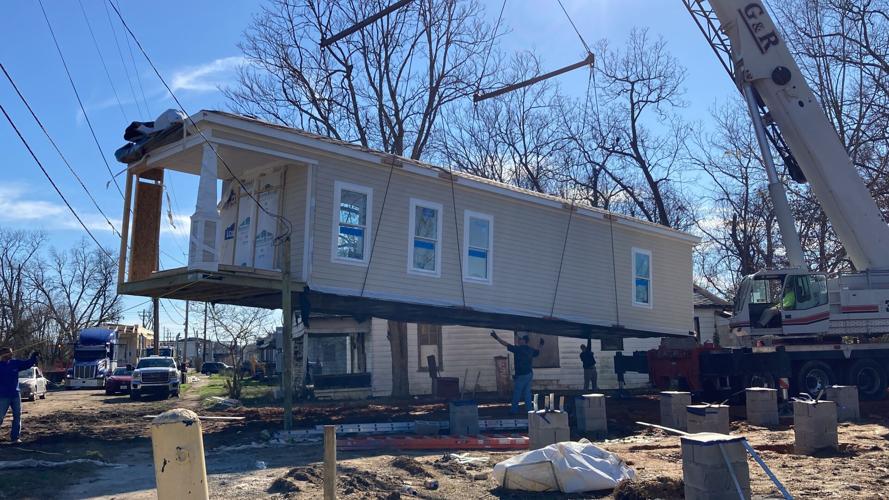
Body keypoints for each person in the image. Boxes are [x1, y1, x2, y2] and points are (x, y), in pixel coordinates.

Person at [491, 331, 542, 414]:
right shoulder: (530, 350)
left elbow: (506, 344)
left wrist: (497, 338)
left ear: (524, 341)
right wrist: (541, 345)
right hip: (529, 374)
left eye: (520, 339)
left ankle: (513, 411)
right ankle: (529, 410)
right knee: (527, 393)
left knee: (517, 393)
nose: (518, 340)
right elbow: (537, 352)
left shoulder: (518, 349)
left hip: (521, 375)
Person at [0, 347, 39, 444]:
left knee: (17, 416)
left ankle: (15, 437)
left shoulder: (15, 363)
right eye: (9, 353)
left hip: (16, 394)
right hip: (3, 396)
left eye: (12, 352)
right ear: (3, 354)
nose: (11, 354)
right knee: (0, 417)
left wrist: (33, 356)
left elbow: (27, 364)